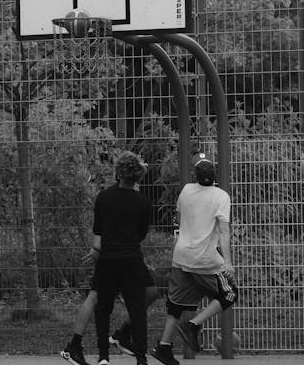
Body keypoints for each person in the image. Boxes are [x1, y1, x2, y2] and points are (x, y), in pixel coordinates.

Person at [151, 153, 238, 365]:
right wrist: (227, 262)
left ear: (195, 175)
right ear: (214, 174)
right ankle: (193, 324)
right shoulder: (221, 196)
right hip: (205, 259)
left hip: (181, 256)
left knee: (176, 305)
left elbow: (180, 219)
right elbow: (224, 231)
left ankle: (164, 347)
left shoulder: (187, 191)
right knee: (229, 294)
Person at [69, 151, 151, 365]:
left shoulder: (104, 198)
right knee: (137, 307)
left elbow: (99, 229)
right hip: (132, 259)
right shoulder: (142, 202)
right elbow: (142, 232)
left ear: (118, 173)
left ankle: (103, 356)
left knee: (103, 308)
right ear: (138, 176)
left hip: (108, 258)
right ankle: (141, 358)